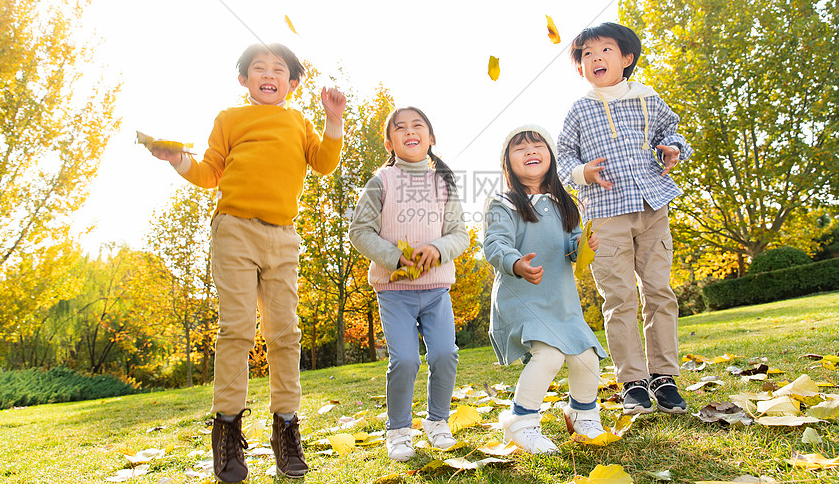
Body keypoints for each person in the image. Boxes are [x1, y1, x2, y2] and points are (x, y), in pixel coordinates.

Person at [148, 42, 346, 482]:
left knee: (284, 333)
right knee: (236, 329)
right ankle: (227, 434)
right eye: (260, 68)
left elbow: (325, 163)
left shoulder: (298, 121)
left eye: (279, 69)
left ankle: (286, 430)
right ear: (245, 80)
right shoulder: (230, 119)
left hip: (282, 235)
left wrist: (334, 121)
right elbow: (208, 174)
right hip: (234, 228)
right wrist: (179, 160)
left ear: (293, 84)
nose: (269, 73)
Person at [557, 22, 693, 416]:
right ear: (581, 67)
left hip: (652, 207)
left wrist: (673, 150)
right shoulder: (580, 109)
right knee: (620, 300)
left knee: (659, 293)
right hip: (604, 215)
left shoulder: (649, 99)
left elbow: (673, 132)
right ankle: (633, 381)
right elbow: (563, 158)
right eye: (587, 54)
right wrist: (583, 173)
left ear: (626, 58)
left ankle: (664, 377)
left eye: (605, 50)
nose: (596, 58)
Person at [349, 107, 469, 462]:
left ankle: (437, 422)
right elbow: (359, 232)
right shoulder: (380, 181)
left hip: (436, 291)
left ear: (431, 138)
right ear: (389, 142)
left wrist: (438, 248)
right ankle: (399, 430)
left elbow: (459, 235)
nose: (409, 131)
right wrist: (393, 257)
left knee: (445, 355)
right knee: (404, 360)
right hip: (394, 292)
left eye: (418, 126)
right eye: (399, 128)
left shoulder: (443, 183)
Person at [484, 125, 608, 453]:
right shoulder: (504, 202)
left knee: (586, 355)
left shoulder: (564, 202)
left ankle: (583, 414)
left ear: (550, 156)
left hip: (560, 300)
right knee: (549, 354)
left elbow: (570, 244)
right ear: (507, 163)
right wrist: (516, 263)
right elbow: (494, 243)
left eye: (537, 145)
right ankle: (520, 422)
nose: (530, 152)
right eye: (519, 148)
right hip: (522, 298)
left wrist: (583, 245)